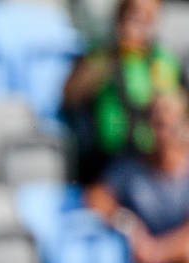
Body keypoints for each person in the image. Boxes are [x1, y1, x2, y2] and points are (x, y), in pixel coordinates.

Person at [64, 0, 182, 184]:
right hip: (109, 162)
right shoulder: (100, 55)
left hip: (151, 163)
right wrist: (114, 54)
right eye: (132, 10)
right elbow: (71, 96)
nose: (137, 17)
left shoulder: (163, 60)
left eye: (146, 13)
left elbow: (175, 110)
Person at [88, 91, 189, 263]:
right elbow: (97, 196)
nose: (164, 134)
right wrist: (129, 225)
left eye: (171, 124)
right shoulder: (131, 168)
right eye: (158, 124)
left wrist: (159, 252)